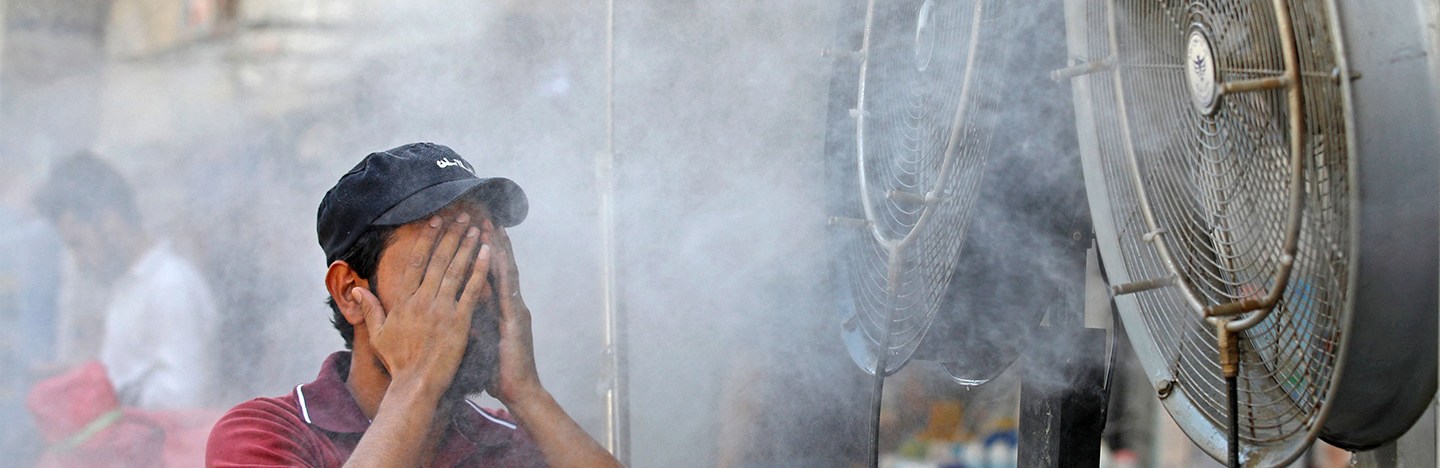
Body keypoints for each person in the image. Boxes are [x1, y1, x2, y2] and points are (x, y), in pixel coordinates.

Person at [205, 142, 621, 467]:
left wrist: (528, 395)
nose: (473, 291)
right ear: (350, 291)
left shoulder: (513, 441)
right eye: (443, 266)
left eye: (481, 259)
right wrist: (417, 383)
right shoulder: (269, 433)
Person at [33, 151, 221, 410]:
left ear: (109, 221)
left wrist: (99, 390)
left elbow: (182, 396)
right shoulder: (127, 287)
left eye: (78, 244)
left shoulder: (171, 285)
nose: (79, 261)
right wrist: (80, 376)